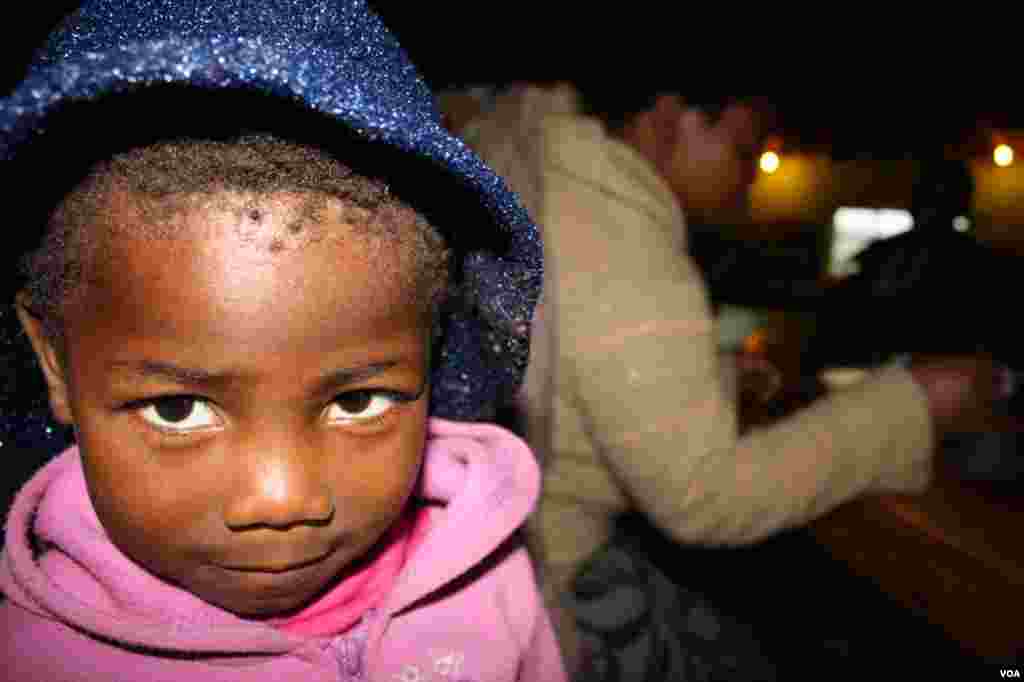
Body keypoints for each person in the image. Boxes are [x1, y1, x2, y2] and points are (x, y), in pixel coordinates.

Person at [0, 2, 566, 680]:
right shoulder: (35, 660)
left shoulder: (482, 568)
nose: (282, 499)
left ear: (430, 348)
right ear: (54, 364)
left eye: (358, 401)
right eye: (178, 409)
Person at [454, 83, 997, 678]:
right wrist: (916, 402)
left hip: (518, 537)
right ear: (669, 115)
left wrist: (710, 374)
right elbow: (703, 496)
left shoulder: (545, 162)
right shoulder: (616, 233)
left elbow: (581, 361)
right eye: (744, 151)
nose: (751, 178)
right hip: (551, 578)